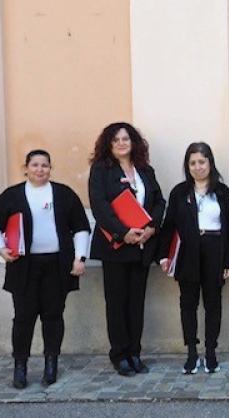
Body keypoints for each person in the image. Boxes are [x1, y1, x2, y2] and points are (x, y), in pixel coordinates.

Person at [0, 150, 90, 389]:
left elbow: (81, 228)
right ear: (26, 168)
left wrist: (79, 258)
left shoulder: (63, 194)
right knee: (23, 317)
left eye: (45, 165)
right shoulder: (12, 195)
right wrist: (1, 249)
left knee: (53, 316)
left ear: (50, 168)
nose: (40, 169)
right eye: (35, 165)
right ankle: (20, 366)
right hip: (24, 266)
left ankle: (51, 363)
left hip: (57, 265)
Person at [88, 122, 166, 376]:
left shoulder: (144, 170)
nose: (121, 143)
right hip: (116, 247)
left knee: (136, 303)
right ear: (108, 145)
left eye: (125, 139)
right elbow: (100, 207)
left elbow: (159, 201)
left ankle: (134, 352)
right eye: (116, 140)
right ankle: (119, 354)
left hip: (142, 246)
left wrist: (152, 227)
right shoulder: (101, 170)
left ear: (133, 142)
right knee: (116, 302)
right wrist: (123, 232)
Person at [157, 142, 229, 375]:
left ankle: (211, 353)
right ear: (187, 166)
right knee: (188, 303)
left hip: (215, 249)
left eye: (202, 161)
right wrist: (163, 256)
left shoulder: (222, 192)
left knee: (213, 304)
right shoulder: (179, 192)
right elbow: (168, 225)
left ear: (210, 163)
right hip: (188, 252)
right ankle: (192, 353)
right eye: (192, 163)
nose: (197, 167)